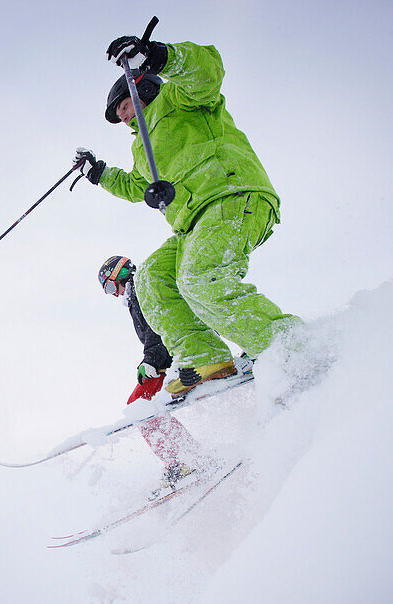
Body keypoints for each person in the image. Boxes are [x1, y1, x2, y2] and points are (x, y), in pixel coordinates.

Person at [75, 33, 301, 403]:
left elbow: (207, 72)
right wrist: (97, 173)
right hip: (192, 222)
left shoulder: (178, 99)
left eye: (124, 107)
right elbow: (135, 185)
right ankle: (204, 355)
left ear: (142, 88)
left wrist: (161, 56)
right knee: (151, 277)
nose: (123, 116)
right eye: (119, 115)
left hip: (231, 195)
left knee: (199, 276)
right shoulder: (141, 146)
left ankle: (287, 346)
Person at [99, 255, 208, 492]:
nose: (112, 294)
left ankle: (184, 460)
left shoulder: (139, 289)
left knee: (139, 405)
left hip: (168, 355)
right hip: (164, 355)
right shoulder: (135, 294)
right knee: (140, 407)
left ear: (120, 274)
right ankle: (186, 458)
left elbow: (157, 324)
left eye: (109, 286)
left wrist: (151, 360)